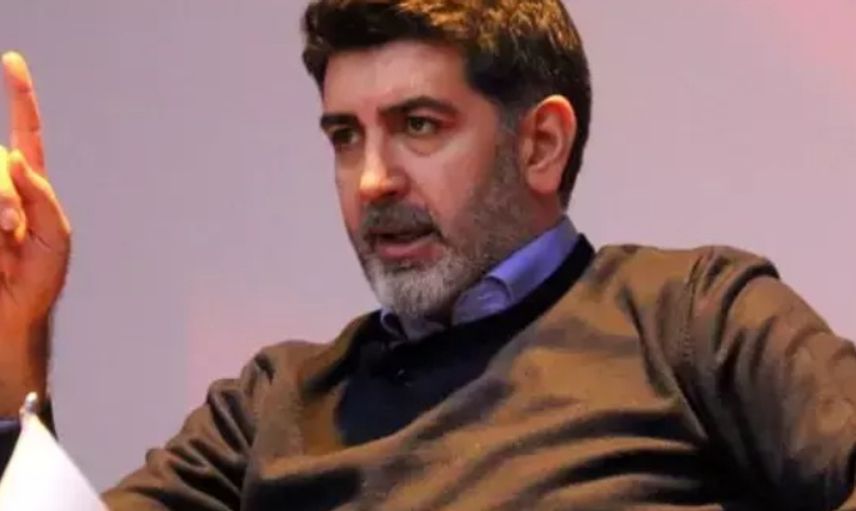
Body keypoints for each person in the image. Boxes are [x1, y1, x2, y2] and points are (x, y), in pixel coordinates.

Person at [1, 0, 856, 509]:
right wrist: (12, 344)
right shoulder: (272, 406)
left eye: (418, 125)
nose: (372, 179)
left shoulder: (693, 318)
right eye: (346, 136)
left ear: (541, 144)